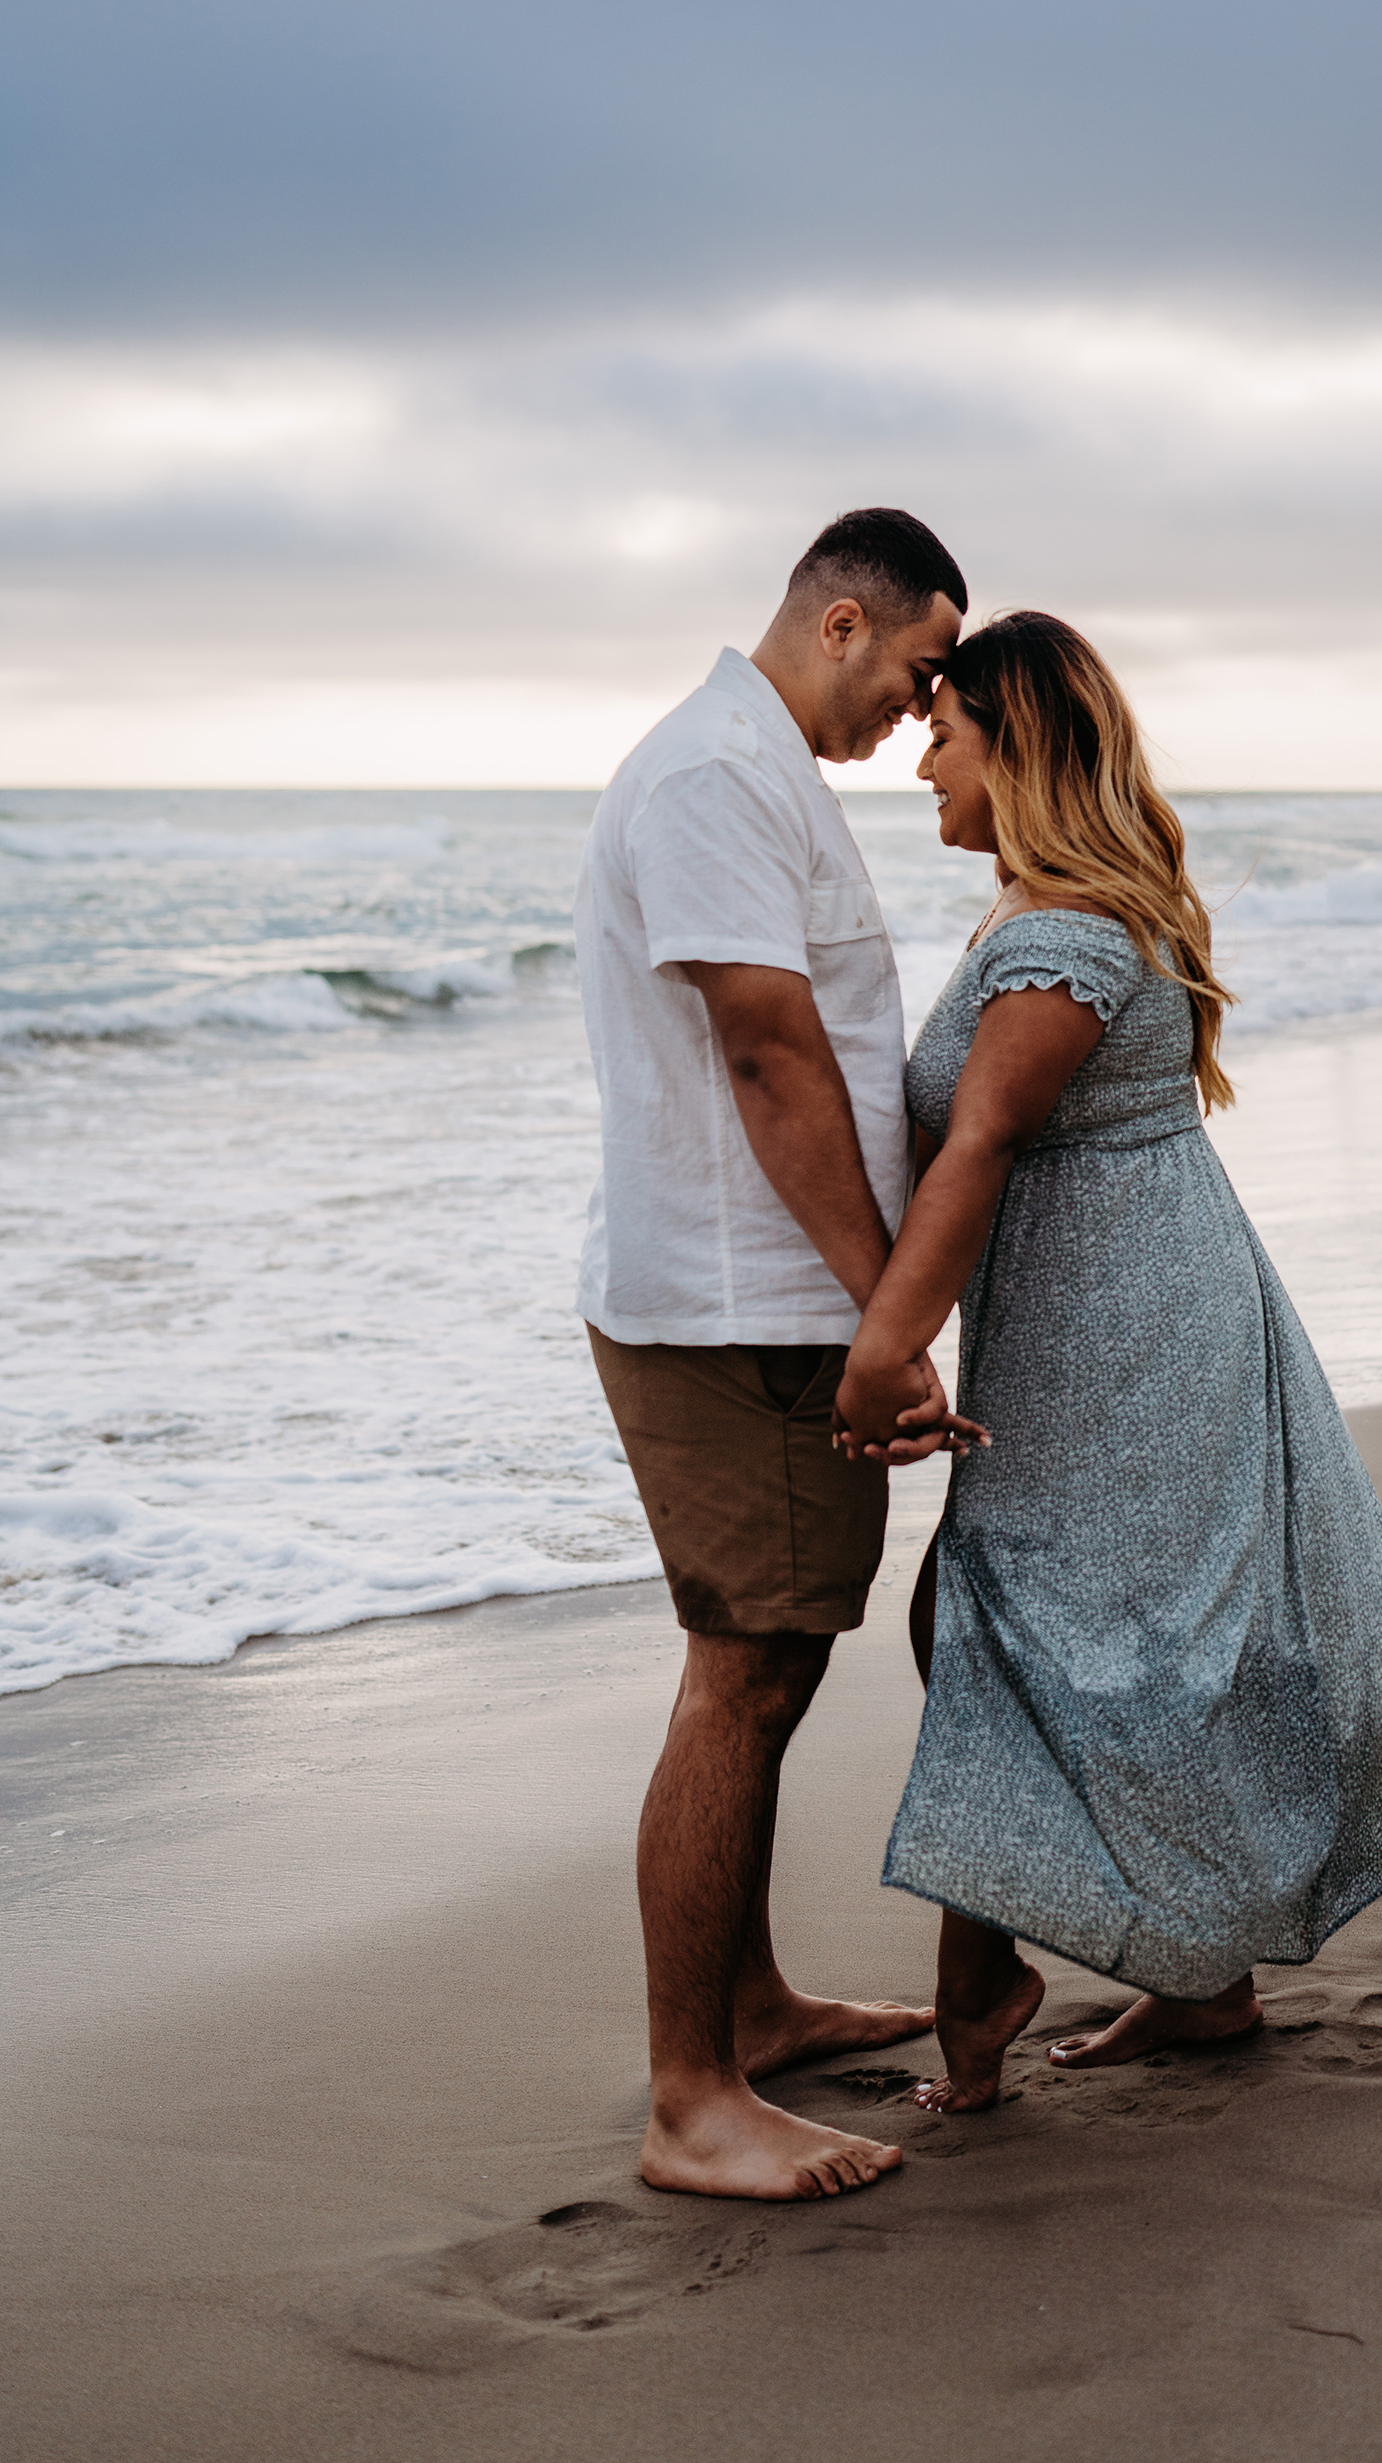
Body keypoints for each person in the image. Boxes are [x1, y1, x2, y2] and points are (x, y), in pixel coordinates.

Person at [833, 612, 1382, 2110]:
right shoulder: (1055, 913)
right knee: (1056, 1630)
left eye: (947, 729)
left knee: (1014, 1626)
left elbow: (976, 1146)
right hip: (1113, 1314)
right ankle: (1197, 1982)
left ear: (1016, 744)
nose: (923, 758)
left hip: (1125, 1338)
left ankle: (985, 1995)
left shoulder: (1061, 938)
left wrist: (882, 1346)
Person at [575, 507, 984, 2199]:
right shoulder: (714, 778)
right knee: (740, 1676)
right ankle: (692, 2100)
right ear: (837, 621)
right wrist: (887, 1304)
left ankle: (745, 2007)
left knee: (781, 1659)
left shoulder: (757, 769)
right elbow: (765, 1051)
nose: (918, 710)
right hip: (743, 1309)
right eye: (915, 668)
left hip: (771, 1302)